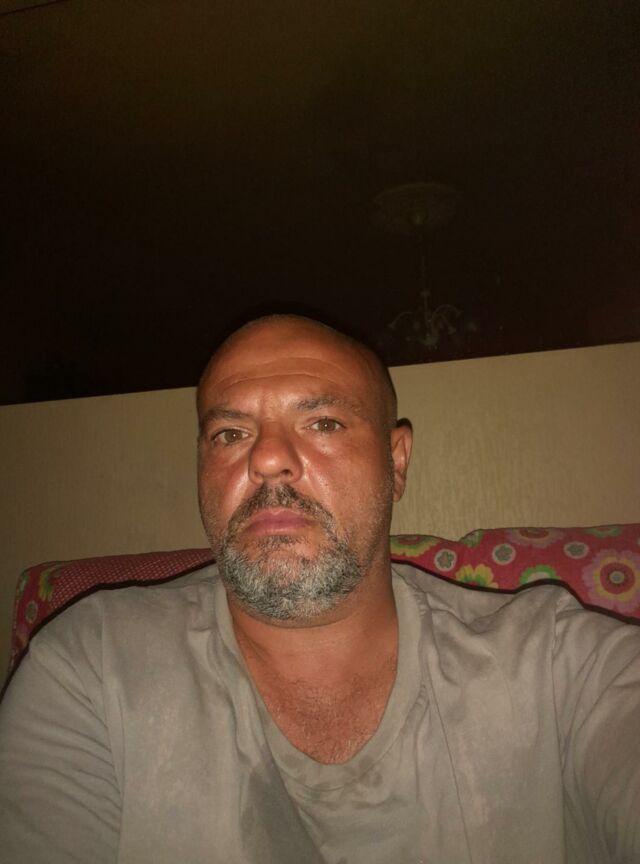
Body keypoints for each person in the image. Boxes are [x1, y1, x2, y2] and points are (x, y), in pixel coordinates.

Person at [0, 314, 639, 864]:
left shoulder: (560, 665)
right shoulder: (90, 666)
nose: (266, 459)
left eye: (324, 422)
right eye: (229, 434)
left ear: (396, 461)